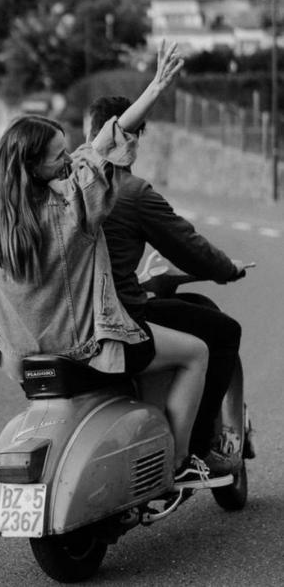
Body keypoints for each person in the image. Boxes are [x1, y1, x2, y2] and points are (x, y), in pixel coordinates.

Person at [0, 41, 229, 490]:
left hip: (26, 360)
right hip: (89, 351)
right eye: (59, 156)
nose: (69, 159)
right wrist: (154, 87)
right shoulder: (76, 204)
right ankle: (181, 463)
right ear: (35, 167)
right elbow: (110, 138)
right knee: (196, 353)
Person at [86, 95, 248, 478]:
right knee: (225, 333)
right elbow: (188, 247)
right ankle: (197, 449)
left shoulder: (64, 188)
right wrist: (228, 270)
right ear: (134, 137)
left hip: (76, 318)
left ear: (89, 132)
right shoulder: (131, 191)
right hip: (122, 317)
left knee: (194, 313)